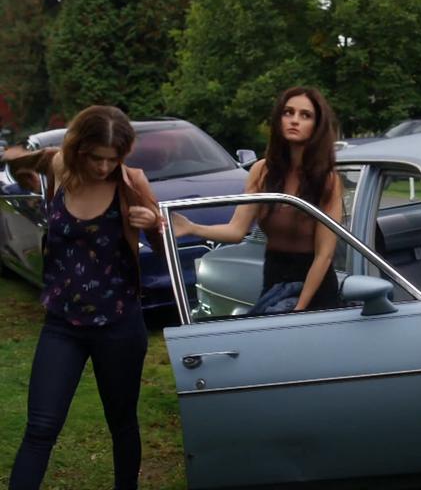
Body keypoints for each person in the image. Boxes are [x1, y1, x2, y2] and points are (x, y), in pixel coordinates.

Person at [3, 106, 162, 490]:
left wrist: (153, 224)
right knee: (40, 427)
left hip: (119, 325)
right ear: (79, 148)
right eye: (96, 157)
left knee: (122, 424)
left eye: (113, 158)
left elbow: (161, 244)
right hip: (62, 325)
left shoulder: (132, 181)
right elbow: (17, 163)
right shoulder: (58, 168)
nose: (104, 167)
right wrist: (23, 171)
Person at [172, 86, 343, 312]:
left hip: (315, 288)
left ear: (317, 126)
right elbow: (236, 230)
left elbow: (324, 255)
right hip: (273, 280)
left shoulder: (327, 179)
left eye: (305, 115)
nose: (294, 120)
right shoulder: (262, 171)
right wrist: (191, 228)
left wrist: (299, 309)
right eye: (288, 112)